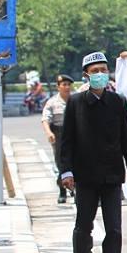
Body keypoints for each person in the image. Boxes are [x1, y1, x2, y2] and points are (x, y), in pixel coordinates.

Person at [59, 52, 127, 253]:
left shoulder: (117, 102)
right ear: (86, 75)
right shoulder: (75, 103)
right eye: (95, 71)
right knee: (83, 228)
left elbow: (126, 139)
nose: (100, 75)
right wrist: (66, 171)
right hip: (85, 177)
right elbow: (67, 142)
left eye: (104, 70)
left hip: (112, 176)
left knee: (114, 229)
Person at [42, 74, 74, 203]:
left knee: (75, 162)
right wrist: (49, 133)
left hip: (74, 133)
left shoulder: (75, 99)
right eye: (64, 85)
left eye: (68, 85)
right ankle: (62, 190)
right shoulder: (52, 102)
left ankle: (75, 188)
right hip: (59, 134)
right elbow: (45, 119)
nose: (66, 87)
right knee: (61, 163)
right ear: (58, 87)